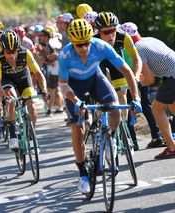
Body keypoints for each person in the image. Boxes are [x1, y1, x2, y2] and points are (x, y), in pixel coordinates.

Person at [58, 19, 141, 194]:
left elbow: (126, 70)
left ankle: (107, 140)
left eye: (86, 43)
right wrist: (75, 101)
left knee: (115, 110)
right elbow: (63, 85)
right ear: (72, 43)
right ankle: (83, 175)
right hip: (74, 87)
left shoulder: (101, 46)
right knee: (78, 127)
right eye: (79, 45)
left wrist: (136, 98)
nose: (83, 48)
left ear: (91, 39)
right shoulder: (65, 55)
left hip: (96, 79)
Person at [120, 22, 175, 159]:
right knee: (173, 106)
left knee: (156, 109)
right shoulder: (149, 39)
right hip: (171, 73)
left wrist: (131, 84)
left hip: (172, 75)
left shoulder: (138, 48)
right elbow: (155, 69)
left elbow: (150, 80)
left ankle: (172, 148)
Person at [0, 30, 48, 151]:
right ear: (3, 50)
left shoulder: (25, 53)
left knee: (31, 105)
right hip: (7, 80)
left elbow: (38, 74)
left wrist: (44, 90)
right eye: (8, 52)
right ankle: (12, 135)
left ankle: (31, 135)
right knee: (11, 100)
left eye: (14, 52)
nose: (11, 55)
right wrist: (3, 96)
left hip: (23, 78)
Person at [38, 26, 64, 116]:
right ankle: (60, 107)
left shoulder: (50, 45)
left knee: (51, 90)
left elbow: (53, 61)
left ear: (46, 36)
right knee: (56, 90)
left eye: (41, 35)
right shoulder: (50, 44)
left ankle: (49, 110)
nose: (39, 37)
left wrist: (44, 60)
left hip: (54, 70)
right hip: (57, 70)